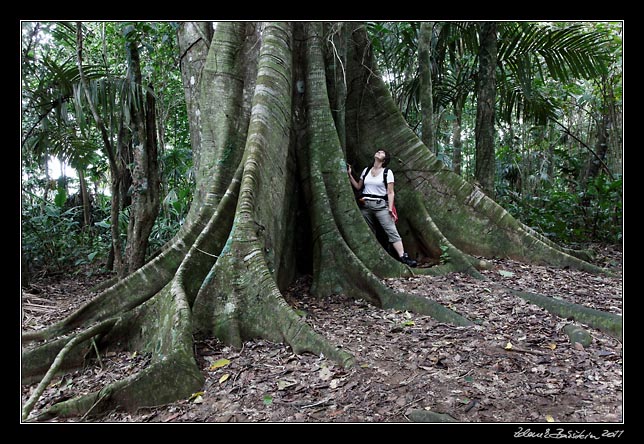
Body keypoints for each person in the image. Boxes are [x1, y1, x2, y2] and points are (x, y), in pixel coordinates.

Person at [348, 149, 417, 267]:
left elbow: (390, 193)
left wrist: (390, 209)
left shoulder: (387, 172)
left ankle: (403, 257)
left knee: (391, 231)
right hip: (365, 206)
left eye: (381, 153)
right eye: (378, 151)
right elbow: (358, 187)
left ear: (384, 160)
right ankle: (369, 257)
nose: (378, 152)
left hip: (381, 206)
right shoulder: (366, 170)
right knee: (367, 231)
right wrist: (349, 174)